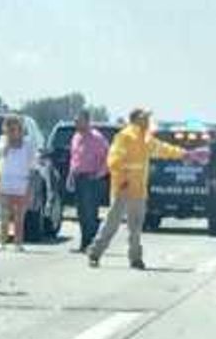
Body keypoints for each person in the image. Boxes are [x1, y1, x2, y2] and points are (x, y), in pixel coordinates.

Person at [86, 108, 203, 270]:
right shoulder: (125, 136)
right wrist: (124, 179)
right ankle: (95, 252)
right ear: (136, 119)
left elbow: (163, 149)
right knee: (112, 223)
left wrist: (185, 154)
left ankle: (135, 259)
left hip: (139, 190)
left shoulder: (145, 138)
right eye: (145, 117)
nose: (148, 120)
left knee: (136, 227)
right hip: (123, 188)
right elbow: (114, 160)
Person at [66, 110, 110, 252]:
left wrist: (99, 174)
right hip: (78, 178)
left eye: (78, 120)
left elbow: (108, 158)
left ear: (87, 120)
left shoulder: (97, 138)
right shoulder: (76, 137)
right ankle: (84, 244)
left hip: (92, 179)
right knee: (82, 214)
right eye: (75, 120)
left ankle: (92, 244)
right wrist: (71, 175)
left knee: (90, 213)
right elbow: (74, 158)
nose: (75, 123)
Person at [0, 115, 36, 252]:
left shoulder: (28, 144)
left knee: (19, 217)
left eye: (16, 128)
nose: (13, 131)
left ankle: (18, 243)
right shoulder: (2, 140)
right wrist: (8, 140)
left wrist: (29, 188)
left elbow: (32, 166)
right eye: (10, 128)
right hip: (5, 182)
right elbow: (2, 153)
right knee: (3, 216)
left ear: (20, 129)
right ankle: (2, 242)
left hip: (21, 182)